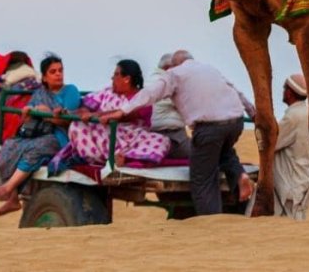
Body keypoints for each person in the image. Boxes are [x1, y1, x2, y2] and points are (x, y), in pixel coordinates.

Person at [102, 50, 256, 216]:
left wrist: (122, 111)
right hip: (235, 122)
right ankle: (239, 176)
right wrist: (253, 112)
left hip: (208, 128)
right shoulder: (209, 69)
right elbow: (235, 90)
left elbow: (149, 94)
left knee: (202, 178)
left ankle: (212, 220)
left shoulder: (174, 75)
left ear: (173, 65)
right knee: (223, 151)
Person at [0, 55, 81, 216]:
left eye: (60, 70)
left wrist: (46, 114)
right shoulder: (40, 93)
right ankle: (14, 198)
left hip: (61, 137)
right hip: (38, 133)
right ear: (45, 77)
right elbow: (26, 117)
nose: (58, 74)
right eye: (53, 72)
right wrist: (29, 112)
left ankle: (8, 188)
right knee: (10, 146)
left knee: (37, 149)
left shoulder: (70, 91)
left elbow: (69, 121)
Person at [65, 60, 171, 167]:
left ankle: (122, 157)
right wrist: (85, 112)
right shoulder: (107, 92)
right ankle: (102, 158)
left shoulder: (142, 97)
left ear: (127, 79)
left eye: (116, 74)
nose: (112, 78)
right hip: (104, 136)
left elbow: (125, 115)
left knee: (162, 141)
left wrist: (95, 115)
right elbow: (85, 106)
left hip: (133, 138)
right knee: (77, 125)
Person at [273, 73, 309, 220]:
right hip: (305, 178)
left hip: (290, 182)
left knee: (289, 229)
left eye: (285, 88)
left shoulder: (292, 117)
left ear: (290, 92)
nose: (283, 91)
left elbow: (272, 144)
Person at [150, 52, 191, 159]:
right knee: (206, 151)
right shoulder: (166, 82)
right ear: (168, 67)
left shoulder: (153, 80)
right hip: (171, 136)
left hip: (156, 135)